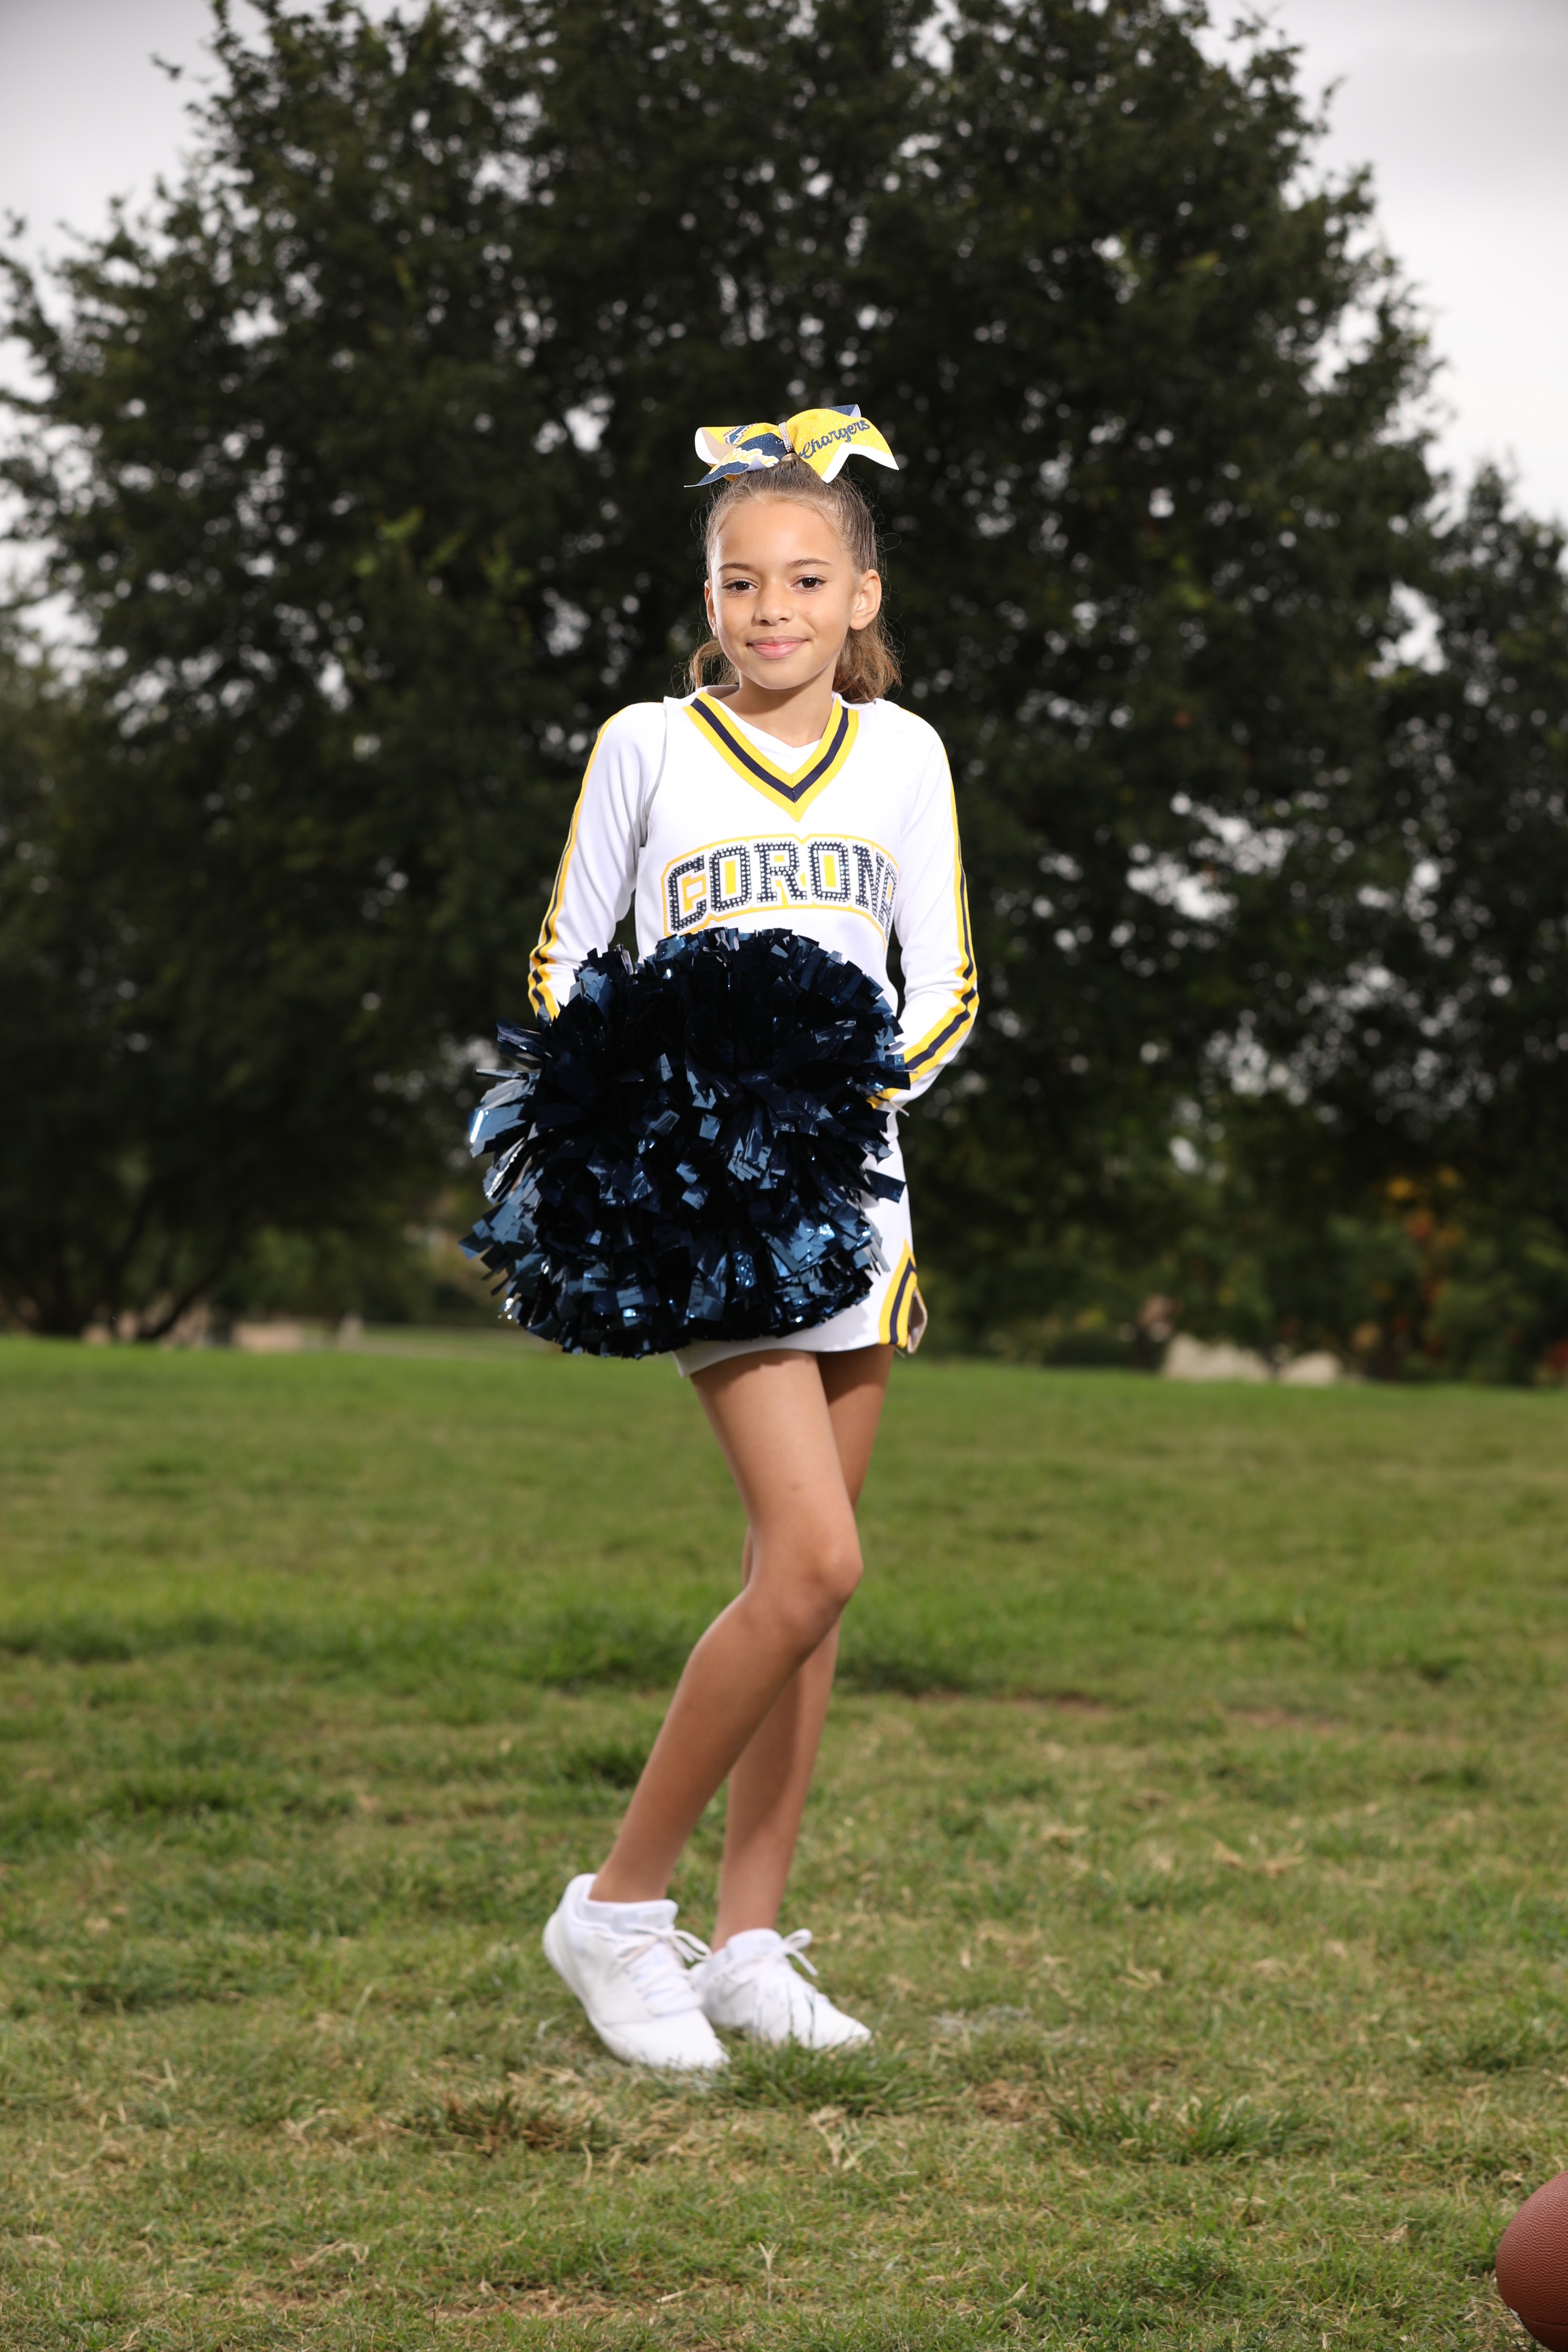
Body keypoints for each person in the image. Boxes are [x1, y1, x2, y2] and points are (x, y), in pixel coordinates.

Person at [535, 407, 977, 2069]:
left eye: (804, 578)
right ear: (708, 597)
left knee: (803, 1594)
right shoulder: (647, 743)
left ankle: (745, 1945)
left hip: (857, 1194)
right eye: (740, 580)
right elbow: (565, 964)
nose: (770, 608)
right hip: (712, 1208)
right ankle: (616, 1910)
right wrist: (659, 1116)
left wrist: (838, 1103)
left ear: (862, 596)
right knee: (814, 1560)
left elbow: (944, 984)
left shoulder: (906, 753)